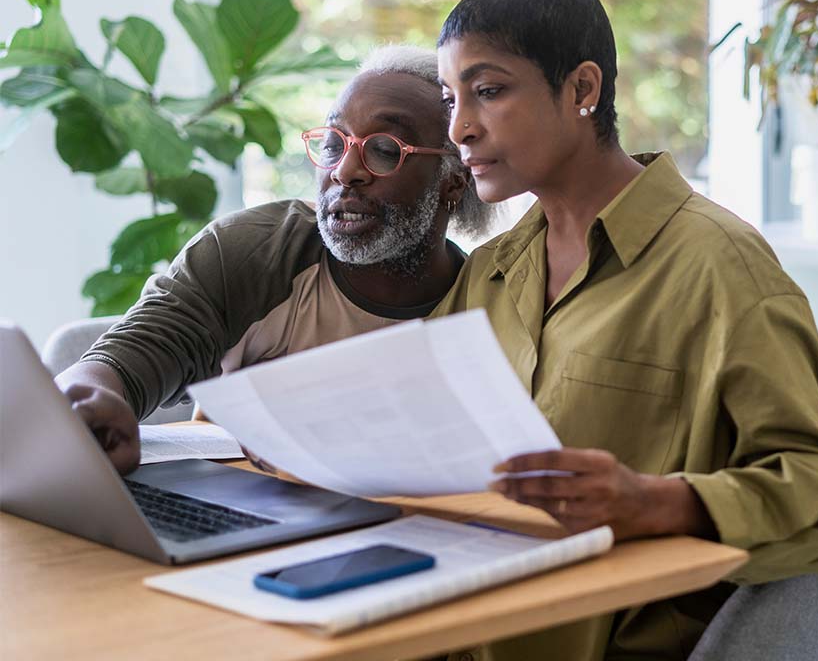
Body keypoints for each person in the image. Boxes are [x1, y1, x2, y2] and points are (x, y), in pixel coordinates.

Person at [432, 0, 818, 661]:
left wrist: (657, 502)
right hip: (451, 623)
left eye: (489, 91)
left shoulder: (722, 266)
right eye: (450, 97)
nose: (460, 127)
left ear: (582, 90)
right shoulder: (491, 271)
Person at [56, 45, 492, 476]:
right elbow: (126, 358)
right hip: (245, 509)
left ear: (453, 179)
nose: (345, 171)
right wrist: (88, 401)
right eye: (334, 144)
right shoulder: (258, 250)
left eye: (384, 148)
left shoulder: (493, 305)